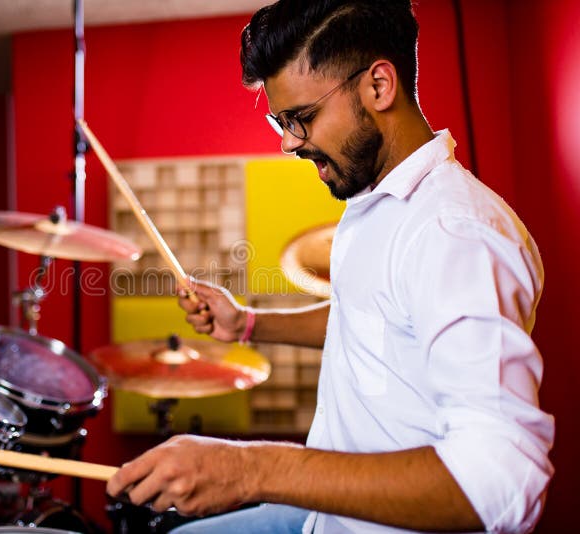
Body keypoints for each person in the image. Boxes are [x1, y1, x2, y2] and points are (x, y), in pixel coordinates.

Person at [105, 0, 555, 532]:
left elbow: (501, 482)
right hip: (326, 516)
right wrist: (247, 324)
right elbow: (363, 318)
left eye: (302, 118)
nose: (288, 142)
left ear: (379, 86)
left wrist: (251, 469)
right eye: (281, 120)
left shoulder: (454, 234)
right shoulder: (374, 201)